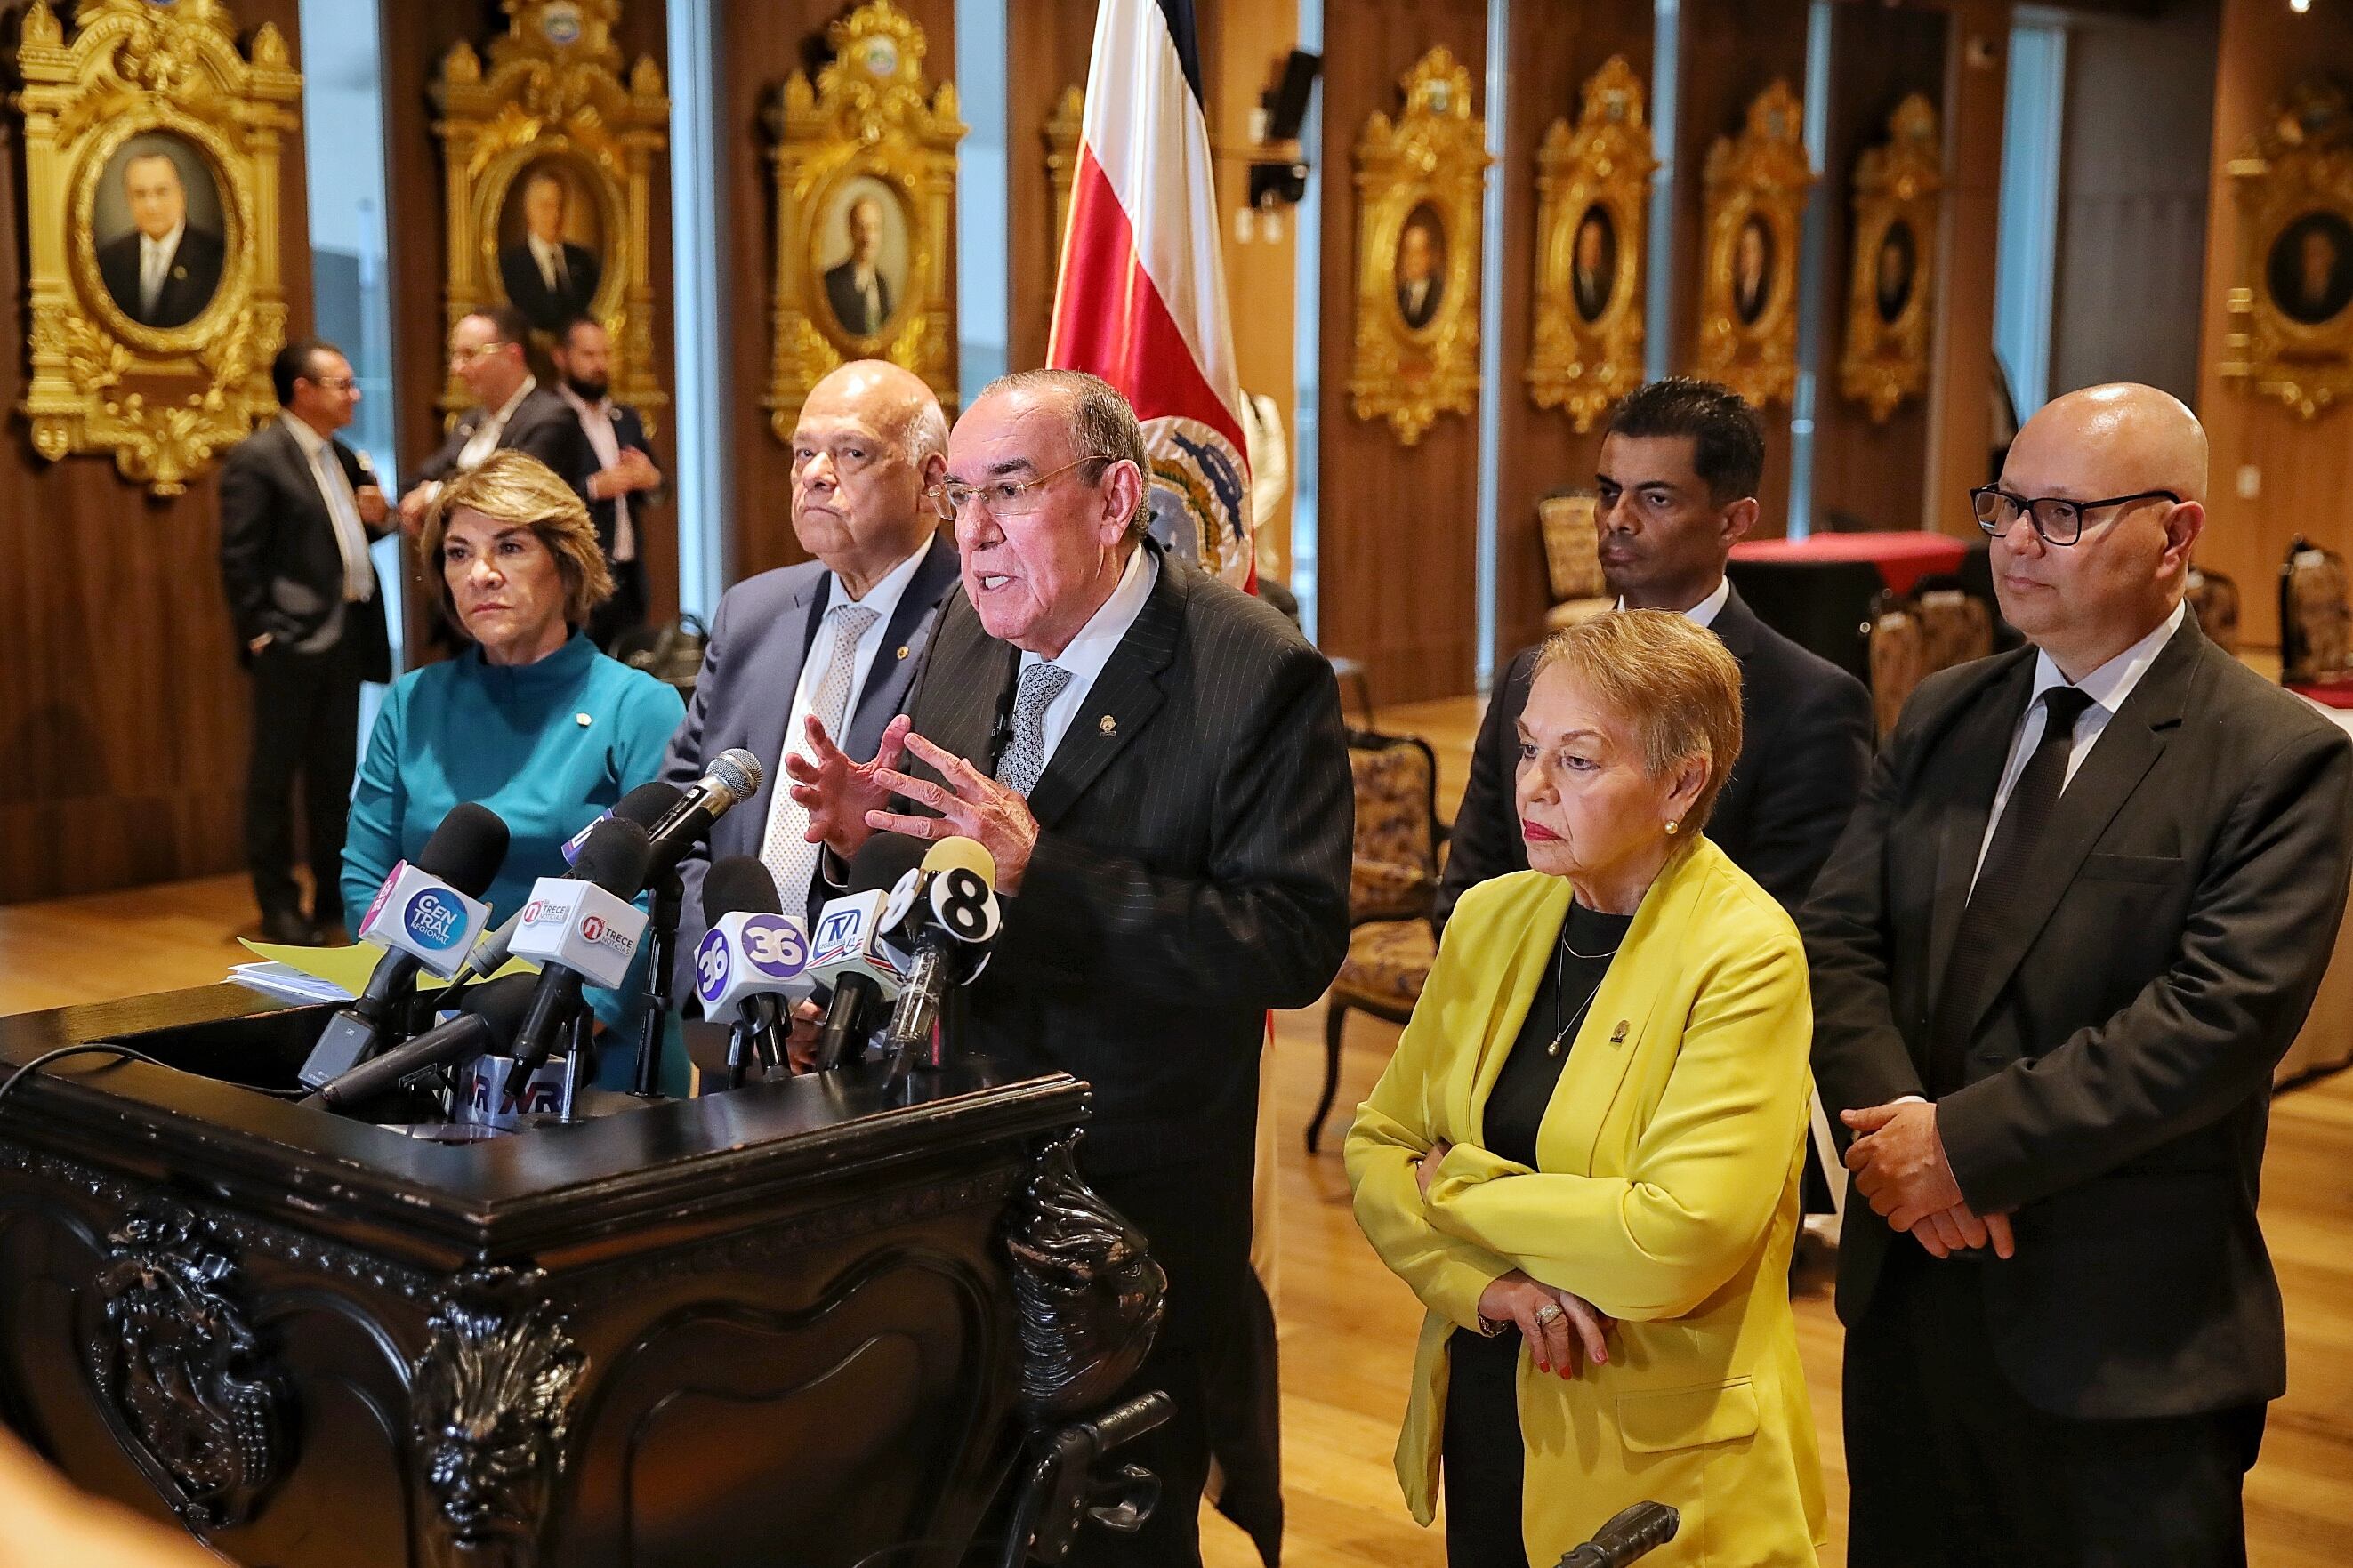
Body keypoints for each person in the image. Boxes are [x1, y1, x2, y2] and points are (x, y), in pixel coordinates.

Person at [788, 369, 1352, 1566]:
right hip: (954, 1175)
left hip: (1128, 1202)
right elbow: (943, 870)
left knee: (1113, 1534)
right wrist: (854, 844)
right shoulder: (964, 626)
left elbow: (1290, 941)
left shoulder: (1252, 669)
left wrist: (1048, 872)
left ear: (1114, 501)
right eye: (958, 497)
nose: (974, 531)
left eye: (1009, 491)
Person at [1801, 382, 2353, 1566]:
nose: (2013, 542)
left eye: (2061, 514)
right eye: (2003, 505)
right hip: (1911, 1301)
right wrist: (1902, 1147)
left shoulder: (2277, 755)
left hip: (2119, 1333)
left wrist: (1959, 1148)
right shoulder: (1944, 710)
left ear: (2175, 533)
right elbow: (1838, 937)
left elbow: (2212, 1021)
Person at [1348, 611, 1825, 1567]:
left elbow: (1674, 1239)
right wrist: (1488, 1285)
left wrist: (1456, 1186)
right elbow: (1374, 1148)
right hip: (1490, 1402)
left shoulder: (1745, 952)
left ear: (1681, 782)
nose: (1531, 785)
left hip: (1658, 1462)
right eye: (1528, 748)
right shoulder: (1489, 916)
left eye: (1577, 760)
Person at [1441, 378, 1873, 922]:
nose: (1617, 518)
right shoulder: (1527, 677)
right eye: (1607, 493)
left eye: (1656, 498)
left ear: (1733, 520)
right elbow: (1469, 897)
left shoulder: (1809, 703)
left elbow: (1789, 921)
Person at [345, 452, 683, 1049]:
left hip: (585, 1038)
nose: (481, 573)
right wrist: (405, 1006)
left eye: (509, 547)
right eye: (458, 553)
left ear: (567, 563)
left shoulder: (639, 706)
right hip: (425, 1029)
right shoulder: (412, 701)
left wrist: (557, 1023)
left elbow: (655, 899)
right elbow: (365, 878)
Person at [657, 358, 960, 994]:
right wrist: (727, 983)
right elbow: (681, 817)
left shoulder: (979, 623)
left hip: (878, 1014)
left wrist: (827, 998)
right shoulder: (750, 611)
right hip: (736, 1012)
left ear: (931, 480)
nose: (816, 475)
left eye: (852, 452)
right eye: (803, 454)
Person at [218, 338, 392, 945]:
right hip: (290, 641)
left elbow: (344, 540)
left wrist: (381, 520)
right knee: (274, 780)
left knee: (333, 777)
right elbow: (239, 556)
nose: (355, 395)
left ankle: (331, 898)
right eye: (342, 384)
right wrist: (260, 633)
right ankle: (279, 906)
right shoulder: (259, 457)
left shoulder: (341, 456)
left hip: (346, 635)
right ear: (303, 390)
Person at [399, 306, 595, 532]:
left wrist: (435, 494)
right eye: (455, 355)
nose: (456, 369)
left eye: (469, 354)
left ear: (512, 355)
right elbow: (416, 482)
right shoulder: (469, 421)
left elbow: (512, 490)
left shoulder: (553, 417)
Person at [550, 315, 664, 649]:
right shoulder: (548, 418)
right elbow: (538, 494)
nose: (600, 365)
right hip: (577, 577)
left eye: (605, 354)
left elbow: (660, 489)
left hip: (627, 576)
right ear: (561, 357)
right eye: (589, 355)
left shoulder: (625, 418)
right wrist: (593, 488)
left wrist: (651, 479)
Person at [96, 149, 224, 329]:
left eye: (161, 192)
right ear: (128, 200)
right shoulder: (109, 259)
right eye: (140, 194)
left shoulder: (216, 258)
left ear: (182, 194)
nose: (151, 206)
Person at [498, 167, 602, 333]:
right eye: (545, 206)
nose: (555, 214)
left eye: (559, 206)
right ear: (529, 210)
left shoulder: (583, 261)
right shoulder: (510, 265)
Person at [823, 195, 894, 337]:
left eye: (875, 228)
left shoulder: (882, 284)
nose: (868, 238)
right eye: (862, 228)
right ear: (851, 230)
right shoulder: (830, 283)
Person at [1397, 218, 1442, 330]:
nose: (1412, 259)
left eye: (1418, 252)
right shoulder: (1398, 296)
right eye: (1408, 252)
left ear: (1429, 256)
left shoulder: (1440, 296)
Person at [1571, 208, 1613, 322]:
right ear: (1578, 245)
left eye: (1597, 244)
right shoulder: (1570, 282)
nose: (1594, 251)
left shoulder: (1603, 286)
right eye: (1589, 243)